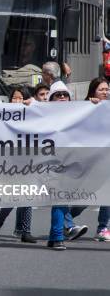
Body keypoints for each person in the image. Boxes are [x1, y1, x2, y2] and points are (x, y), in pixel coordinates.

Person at [62, 78, 110, 242]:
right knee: (83, 200)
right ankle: (66, 220)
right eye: (101, 89)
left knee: (107, 193)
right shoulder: (84, 108)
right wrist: (90, 106)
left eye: (106, 89)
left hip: (105, 160)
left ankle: (102, 228)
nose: (105, 92)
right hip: (86, 161)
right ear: (92, 92)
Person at [0, 86, 37, 243]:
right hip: (9, 161)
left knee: (27, 193)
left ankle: (25, 231)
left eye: (20, 98)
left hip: (29, 159)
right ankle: (0, 219)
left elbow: (45, 111)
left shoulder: (31, 111)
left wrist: (33, 104)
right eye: (14, 98)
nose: (17, 101)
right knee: (13, 196)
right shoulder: (3, 113)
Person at [46, 81, 76, 250]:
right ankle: (58, 236)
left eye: (65, 95)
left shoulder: (78, 113)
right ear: (51, 99)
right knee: (60, 196)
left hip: (71, 161)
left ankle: (53, 236)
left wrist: (95, 103)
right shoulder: (42, 113)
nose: (62, 98)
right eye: (58, 95)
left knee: (62, 197)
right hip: (47, 162)